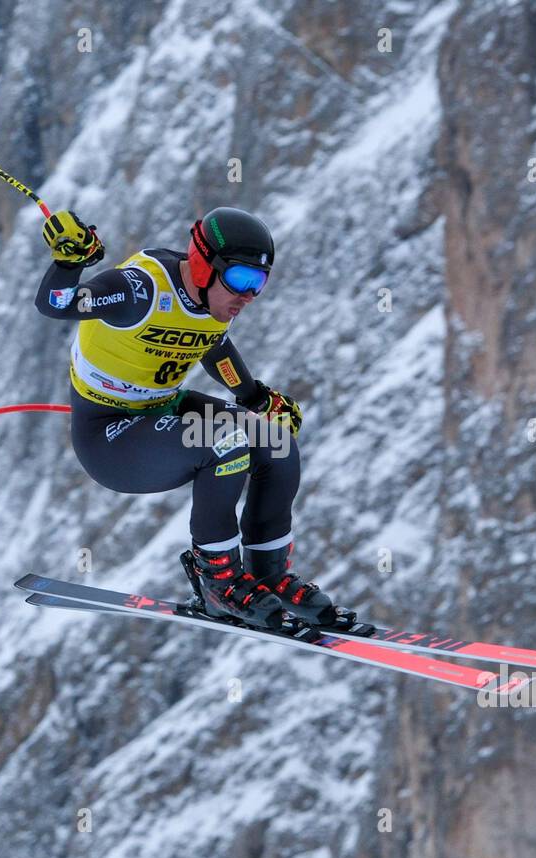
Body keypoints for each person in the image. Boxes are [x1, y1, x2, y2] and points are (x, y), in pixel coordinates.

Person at [32, 207, 340, 627]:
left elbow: (212, 346)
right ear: (202, 265)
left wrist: (255, 398)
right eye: (241, 279)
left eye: (259, 283)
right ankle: (218, 582)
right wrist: (70, 262)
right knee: (225, 443)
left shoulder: (213, 304)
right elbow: (55, 303)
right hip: (110, 435)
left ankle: (269, 575)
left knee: (276, 441)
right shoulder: (138, 290)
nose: (248, 296)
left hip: (162, 408)